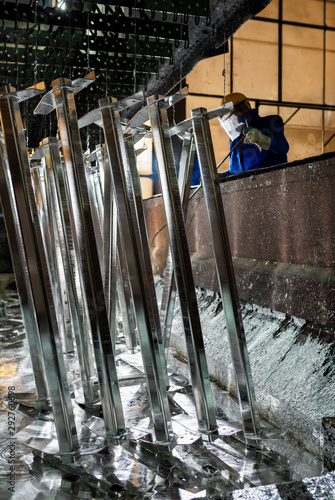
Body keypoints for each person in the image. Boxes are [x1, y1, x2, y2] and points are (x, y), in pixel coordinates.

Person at [218, 92, 289, 176]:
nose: (236, 121)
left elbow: (283, 147)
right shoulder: (235, 143)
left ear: (245, 108)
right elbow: (234, 171)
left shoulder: (269, 123)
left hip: (274, 182)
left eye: (235, 116)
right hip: (249, 187)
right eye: (231, 120)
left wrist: (263, 140)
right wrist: (218, 176)